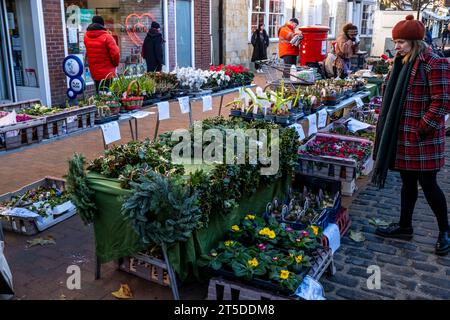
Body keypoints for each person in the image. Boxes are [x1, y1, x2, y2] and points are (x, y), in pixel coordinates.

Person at [372, 15, 450, 256]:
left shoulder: (433, 62)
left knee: (429, 185)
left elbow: (443, 101)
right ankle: (405, 226)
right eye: (396, 41)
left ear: (415, 42)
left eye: (401, 42)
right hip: (404, 136)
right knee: (407, 183)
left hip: (422, 138)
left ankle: (445, 231)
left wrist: (421, 127)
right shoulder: (402, 62)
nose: (396, 46)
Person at [84, 16, 120, 93]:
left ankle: (99, 104)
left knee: (98, 91)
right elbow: (116, 53)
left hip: (94, 71)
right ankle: (105, 104)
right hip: (107, 72)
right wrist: (115, 64)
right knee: (107, 93)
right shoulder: (107, 37)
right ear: (102, 24)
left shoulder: (86, 37)